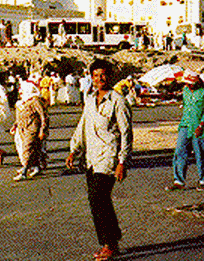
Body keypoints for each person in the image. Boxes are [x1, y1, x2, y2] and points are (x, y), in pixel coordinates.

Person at [66, 59, 132, 261]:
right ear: (91, 78)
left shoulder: (118, 101)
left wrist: (122, 162)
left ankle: (109, 243)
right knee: (98, 201)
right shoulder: (89, 99)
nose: (99, 79)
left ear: (109, 76)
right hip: (92, 158)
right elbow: (82, 126)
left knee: (98, 198)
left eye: (103, 75)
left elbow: (126, 133)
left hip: (109, 158)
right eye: (95, 75)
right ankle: (112, 239)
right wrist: (73, 150)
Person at [166, 69, 204, 191]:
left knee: (201, 154)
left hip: (199, 127)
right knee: (180, 152)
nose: (188, 86)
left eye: (190, 83)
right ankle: (178, 181)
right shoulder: (186, 91)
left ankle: (203, 180)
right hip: (185, 125)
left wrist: (201, 125)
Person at [12, 80, 49, 181]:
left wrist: (42, 130)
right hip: (23, 128)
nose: (20, 91)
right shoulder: (24, 101)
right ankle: (36, 167)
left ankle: (24, 171)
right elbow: (20, 116)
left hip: (32, 128)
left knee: (27, 148)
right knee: (34, 149)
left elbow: (43, 116)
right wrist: (15, 125)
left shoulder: (35, 100)